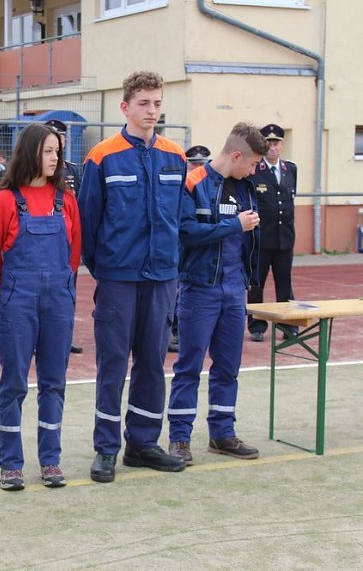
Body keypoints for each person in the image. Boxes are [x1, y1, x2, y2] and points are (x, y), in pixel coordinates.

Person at [77, 70, 187, 483]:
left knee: (153, 365)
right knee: (112, 365)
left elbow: (179, 218)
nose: (152, 111)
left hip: (161, 279)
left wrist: (169, 263)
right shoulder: (102, 157)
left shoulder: (175, 156)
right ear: (125, 107)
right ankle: (106, 449)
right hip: (118, 280)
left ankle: (142, 444)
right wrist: (106, 267)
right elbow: (89, 222)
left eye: (157, 103)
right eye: (143, 103)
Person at [0, 123, 81, 491]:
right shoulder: (6, 201)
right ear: (29, 153)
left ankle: (50, 460)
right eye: (47, 151)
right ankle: (11, 464)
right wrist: (9, 297)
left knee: (54, 383)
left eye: (57, 151)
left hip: (58, 301)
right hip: (17, 303)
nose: (55, 158)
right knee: (14, 384)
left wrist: (58, 291)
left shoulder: (66, 200)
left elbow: (73, 256)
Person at [167, 123, 265, 466]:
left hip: (234, 290)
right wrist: (233, 224)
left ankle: (222, 433)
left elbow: (247, 242)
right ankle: (179, 438)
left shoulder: (246, 188)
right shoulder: (194, 182)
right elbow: (187, 232)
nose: (253, 171)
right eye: (251, 164)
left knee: (228, 366)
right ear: (236, 155)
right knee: (188, 366)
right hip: (199, 288)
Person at [247, 123, 298, 342]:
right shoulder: (255, 169)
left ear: (282, 145)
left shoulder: (290, 169)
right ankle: (257, 324)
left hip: (284, 237)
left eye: (276, 143)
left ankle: (287, 325)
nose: (272, 147)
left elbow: (289, 199)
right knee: (257, 284)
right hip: (261, 237)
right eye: (268, 143)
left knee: (284, 284)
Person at [45, 119, 85, 355]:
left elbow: (79, 203)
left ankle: (65, 337)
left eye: (60, 136)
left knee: (68, 292)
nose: (58, 140)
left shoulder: (72, 170)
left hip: (67, 241)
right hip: (44, 240)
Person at [168, 144, 212, 354]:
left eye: (201, 164)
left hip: (192, 245)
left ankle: (178, 331)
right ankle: (170, 332)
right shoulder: (181, 184)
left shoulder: (207, 186)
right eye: (194, 163)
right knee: (172, 290)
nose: (197, 167)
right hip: (175, 243)